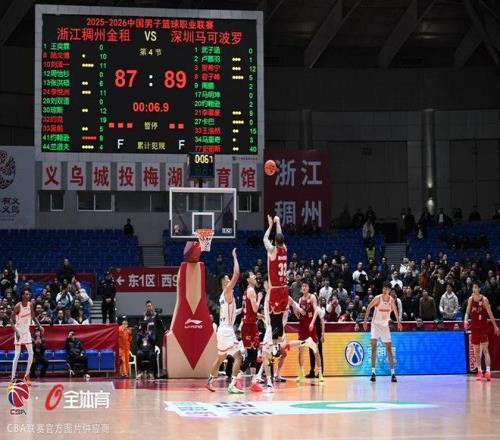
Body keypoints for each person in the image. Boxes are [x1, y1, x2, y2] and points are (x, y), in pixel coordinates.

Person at [206, 249, 243, 394]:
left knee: (220, 358)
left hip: (222, 330)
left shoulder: (223, 296)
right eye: (227, 279)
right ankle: (232, 385)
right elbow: (237, 274)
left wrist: (241, 310)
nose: (230, 280)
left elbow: (231, 313)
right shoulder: (227, 290)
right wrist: (234, 257)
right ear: (224, 283)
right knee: (238, 357)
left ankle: (209, 381)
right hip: (227, 330)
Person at [363, 282, 402, 383]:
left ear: (390, 290)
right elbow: (368, 307)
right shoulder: (378, 298)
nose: (385, 290)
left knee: (389, 349)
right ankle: (373, 373)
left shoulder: (391, 300)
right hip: (375, 325)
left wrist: (398, 322)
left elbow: (395, 311)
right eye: (384, 288)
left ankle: (393, 374)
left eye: (387, 289)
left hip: (385, 326)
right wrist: (365, 321)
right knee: (373, 347)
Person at [263, 215, 289, 356]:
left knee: (273, 318)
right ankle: (278, 345)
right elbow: (280, 236)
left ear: (275, 241)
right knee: (279, 319)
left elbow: (264, 239)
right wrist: (278, 222)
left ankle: (274, 348)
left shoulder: (273, 250)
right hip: (284, 289)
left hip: (276, 290)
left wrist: (270, 225)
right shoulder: (285, 248)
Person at [464, 282, 500, 381]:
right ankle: (479, 371)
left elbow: (490, 313)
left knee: (485, 350)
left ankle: (488, 371)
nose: (474, 289)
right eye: (473, 287)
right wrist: (465, 320)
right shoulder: (470, 299)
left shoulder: (484, 299)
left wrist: (495, 326)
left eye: (476, 287)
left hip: (483, 328)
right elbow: (467, 312)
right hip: (474, 328)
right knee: (476, 350)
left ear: (479, 289)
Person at [10, 290, 44, 385]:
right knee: (17, 354)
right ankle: (13, 377)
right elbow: (11, 320)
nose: (28, 295)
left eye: (29, 294)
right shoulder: (18, 306)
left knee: (31, 353)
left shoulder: (30, 305)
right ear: (22, 296)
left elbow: (33, 317)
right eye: (26, 294)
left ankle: (26, 376)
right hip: (18, 332)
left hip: (26, 332)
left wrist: (39, 326)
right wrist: (16, 332)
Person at [296, 281, 324, 384]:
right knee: (301, 351)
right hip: (302, 328)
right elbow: (298, 315)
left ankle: (320, 374)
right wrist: (296, 312)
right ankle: (301, 372)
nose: (303, 287)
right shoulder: (300, 299)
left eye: (305, 286)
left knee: (316, 351)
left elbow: (316, 310)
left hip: (311, 328)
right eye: (302, 286)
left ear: (308, 287)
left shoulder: (312, 297)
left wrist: (312, 322)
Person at [240, 271, 263, 392]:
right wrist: (260, 299)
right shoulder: (251, 291)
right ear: (248, 279)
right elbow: (254, 308)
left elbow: (250, 311)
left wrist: (261, 316)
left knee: (253, 355)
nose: (254, 276)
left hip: (250, 325)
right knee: (251, 356)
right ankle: (236, 379)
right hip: (249, 326)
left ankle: (253, 382)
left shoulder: (246, 291)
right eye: (252, 275)